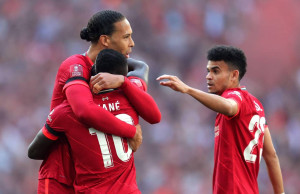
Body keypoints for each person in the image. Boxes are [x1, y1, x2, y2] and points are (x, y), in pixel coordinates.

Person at [30, 10, 160, 193]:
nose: (132, 43)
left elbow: (141, 67)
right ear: (105, 40)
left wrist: (122, 80)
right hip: (62, 174)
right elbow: (84, 110)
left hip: (92, 175)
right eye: (126, 37)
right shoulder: (75, 66)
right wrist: (131, 131)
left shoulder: (115, 77)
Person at [157, 45, 284, 194]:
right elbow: (271, 155)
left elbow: (230, 107)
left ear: (234, 75)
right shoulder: (257, 106)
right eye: (208, 71)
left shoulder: (234, 97)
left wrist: (188, 90)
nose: (208, 76)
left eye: (215, 71)